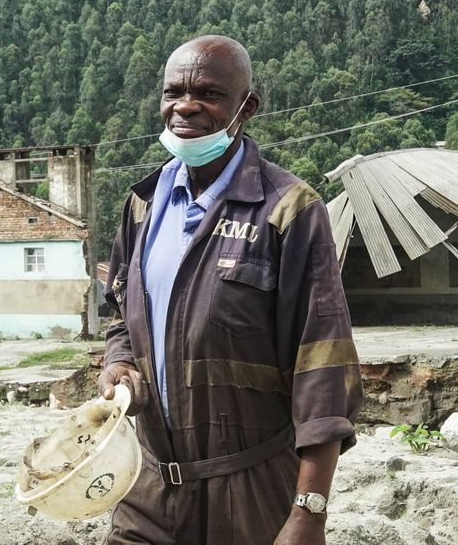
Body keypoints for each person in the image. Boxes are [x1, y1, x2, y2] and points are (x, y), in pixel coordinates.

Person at [98, 35, 363, 544]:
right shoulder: (143, 204)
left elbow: (323, 365)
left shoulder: (287, 210)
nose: (186, 106)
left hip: (250, 487)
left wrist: (309, 512)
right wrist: (119, 362)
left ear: (247, 107)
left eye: (210, 93)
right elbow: (120, 310)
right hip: (148, 481)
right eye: (173, 91)